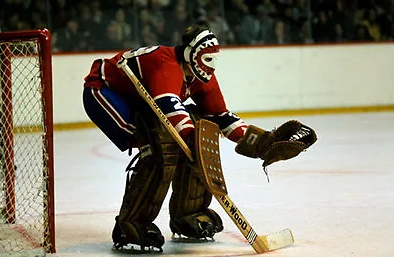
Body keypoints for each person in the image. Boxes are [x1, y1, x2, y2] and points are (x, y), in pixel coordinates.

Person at [82, 21, 316, 252]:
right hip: (104, 91)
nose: (211, 66)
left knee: (200, 129)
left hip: (140, 99)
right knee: (158, 147)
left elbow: (221, 116)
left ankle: (188, 213)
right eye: (207, 59)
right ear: (190, 55)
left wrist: (261, 143)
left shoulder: (200, 75)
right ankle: (132, 224)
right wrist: (194, 142)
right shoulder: (167, 66)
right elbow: (169, 108)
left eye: (214, 60)